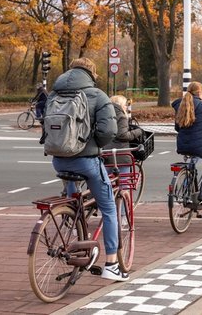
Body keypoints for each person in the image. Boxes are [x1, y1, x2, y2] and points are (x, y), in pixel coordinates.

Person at [47, 58, 128, 282]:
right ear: (92, 73)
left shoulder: (55, 94)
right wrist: (95, 144)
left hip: (58, 160)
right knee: (109, 208)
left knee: (74, 200)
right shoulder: (98, 95)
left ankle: (75, 233)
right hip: (86, 160)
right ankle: (111, 264)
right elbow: (108, 131)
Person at [103, 94, 143, 172]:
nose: (126, 107)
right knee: (124, 182)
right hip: (120, 156)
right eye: (125, 105)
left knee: (107, 181)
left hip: (105, 154)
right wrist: (138, 131)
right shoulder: (121, 117)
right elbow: (123, 135)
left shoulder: (104, 115)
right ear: (120, 105)